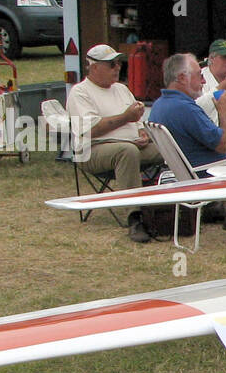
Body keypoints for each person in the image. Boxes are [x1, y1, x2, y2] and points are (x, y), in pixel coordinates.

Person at [149, 52, 226, 242]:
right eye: (198, 75)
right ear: (182, 78)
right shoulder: (185, 108)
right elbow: (224, 145)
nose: (202, 80)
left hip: (184, 172)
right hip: (203, 174)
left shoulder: (159, 105)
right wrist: (223, 112)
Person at [65, 43, 165, 243]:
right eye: (111, 64)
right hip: (92, 150)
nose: (118, 67)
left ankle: (170, 207)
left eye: (119, 63)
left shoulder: (121, 89)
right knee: (126, 151)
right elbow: (90, 130)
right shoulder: (80, 92)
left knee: (168, 148)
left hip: (131, 145)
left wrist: (143, 134)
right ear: (94, 67)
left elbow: (137, 121)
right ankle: (135, 217)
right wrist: (125, 118)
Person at [195, 38, 226, 123]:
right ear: (211, 58)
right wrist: (221, 88)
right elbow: (196, 107)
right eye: (225, 57)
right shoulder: (200, 77)